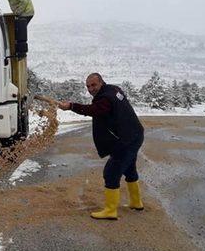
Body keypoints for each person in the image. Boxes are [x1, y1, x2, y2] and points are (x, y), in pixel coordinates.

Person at [57, 73, 145, 220]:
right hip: (134, 135)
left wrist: (71, 106)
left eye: (93, 85)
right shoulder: (113, 89)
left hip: (126, 140)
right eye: (88, 86)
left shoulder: (106, 98)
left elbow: (95, 110)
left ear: (101, 82)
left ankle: (110, 211)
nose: (91, 88)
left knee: (111, 173)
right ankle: (136, 203)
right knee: (129, 168)